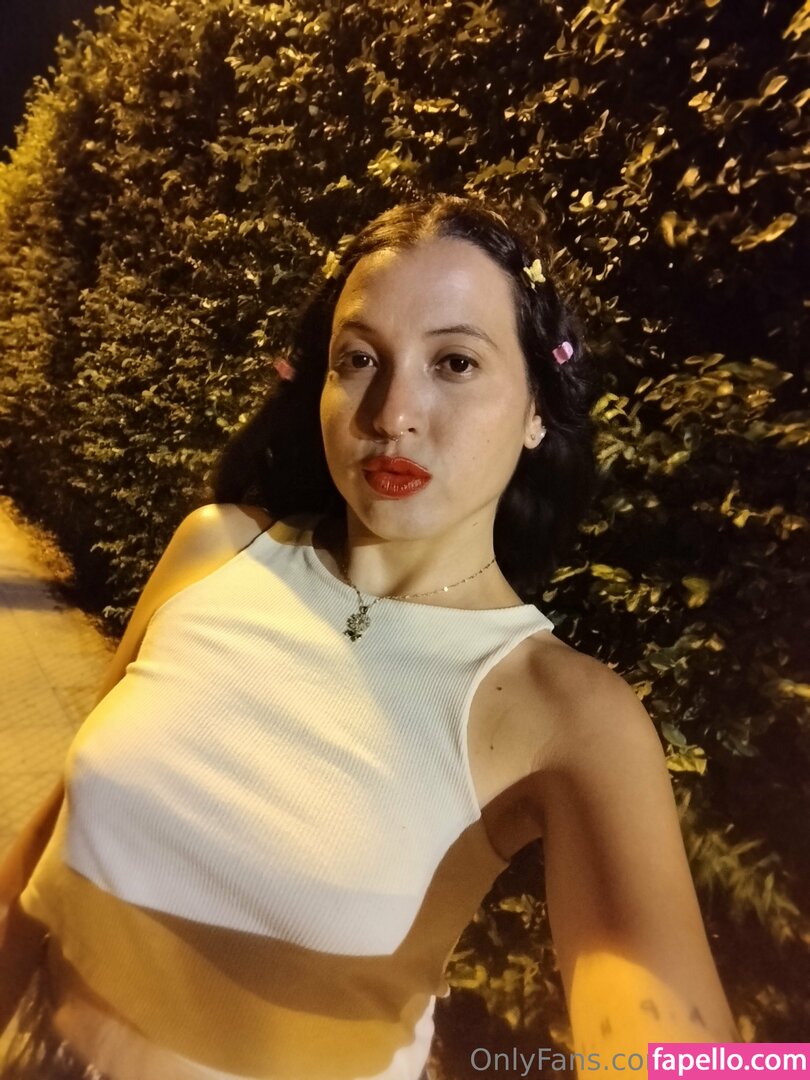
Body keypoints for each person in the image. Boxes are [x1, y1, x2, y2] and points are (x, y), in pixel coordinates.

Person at [0, 194, 738, 1080]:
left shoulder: (567, 713)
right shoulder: (215, 550)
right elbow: (57, 827)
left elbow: (680, 1055)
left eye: (455, 362)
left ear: (538, 409)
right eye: (359, 359)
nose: (393, 412)